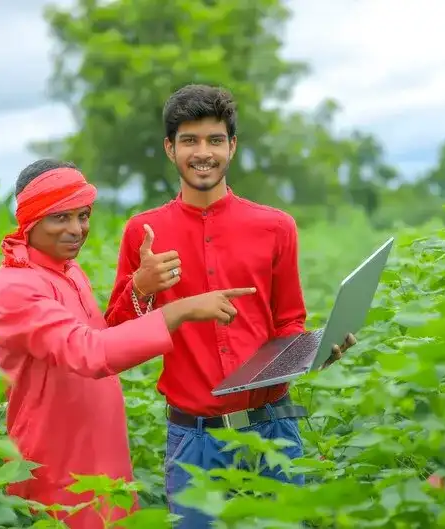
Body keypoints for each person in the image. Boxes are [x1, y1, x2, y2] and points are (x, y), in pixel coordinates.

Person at [105, 84, 357, 528]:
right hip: (193, 441)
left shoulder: (276, 227)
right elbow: (116, 340)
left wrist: (316, 350)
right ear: (170, 148)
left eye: (215, 140)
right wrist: (141, 287)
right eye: (190, 140)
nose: (203, 153)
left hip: (272, 429)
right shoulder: (142, 232)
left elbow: (288, 323)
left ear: (232, 146)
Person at [0, 159, 257, 528]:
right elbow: (90, 352)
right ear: (29, 221)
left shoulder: (67, 271)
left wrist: (139, 288)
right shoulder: (14, 287)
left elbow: (104, 336)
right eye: (60, 218)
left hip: (103, 455)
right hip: (56, 464)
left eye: (83, 215)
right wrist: (179, 311)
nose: (77, 230)